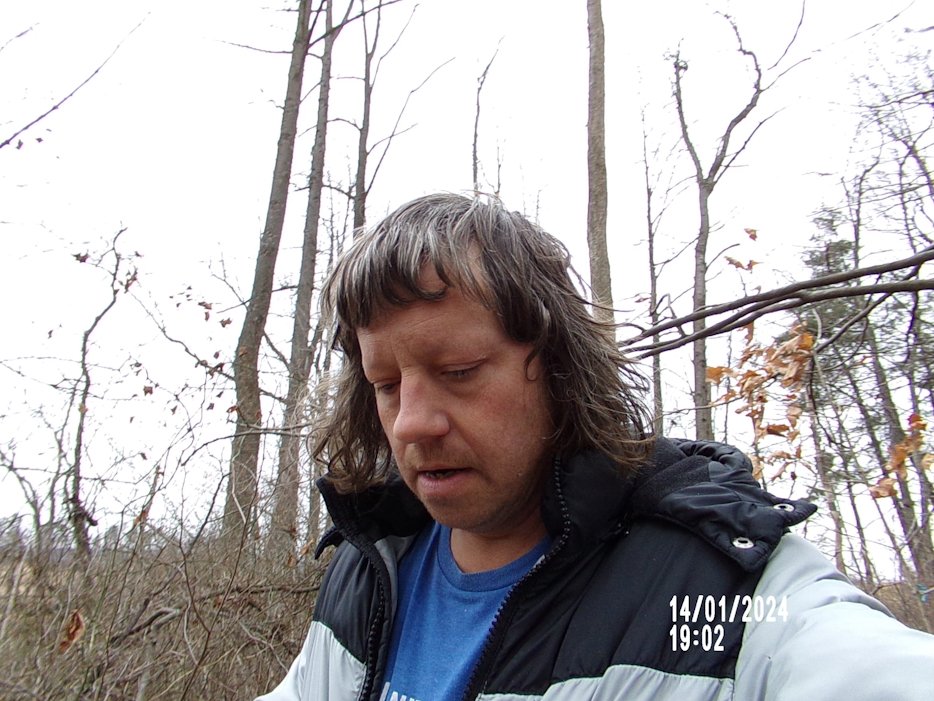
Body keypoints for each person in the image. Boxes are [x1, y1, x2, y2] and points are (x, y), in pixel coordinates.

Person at [256, 193, 934, 701]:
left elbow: (841, 657)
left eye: (459, 371)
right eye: (385, 384)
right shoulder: (371, 566)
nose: (409, 423)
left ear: (557, 367)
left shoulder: (704, 583)